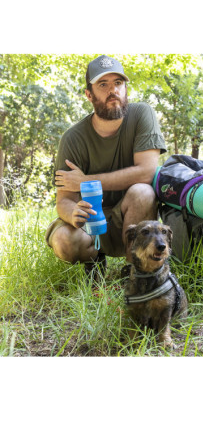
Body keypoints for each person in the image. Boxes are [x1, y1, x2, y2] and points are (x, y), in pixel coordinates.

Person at [45, 55, 167, 277]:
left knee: (143, 191)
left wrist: (86, 181)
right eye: (103, 84)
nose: (114, 90)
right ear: (89, 94)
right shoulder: (73, 138)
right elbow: (64, 199)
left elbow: (147, 171)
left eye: (118, 83)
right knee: (63, 241)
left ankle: (134, 271)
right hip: (90, 221)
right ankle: (94, 260)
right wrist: (73, 213)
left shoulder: (141, 114)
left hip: (129, 216)